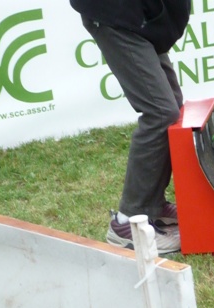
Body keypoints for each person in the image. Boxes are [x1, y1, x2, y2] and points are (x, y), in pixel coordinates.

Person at [69, 0, 191, 254]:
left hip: (142, 15)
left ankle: (152, 206)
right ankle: (127, 223)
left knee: (172, 106)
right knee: (160, 112)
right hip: (117, 12)